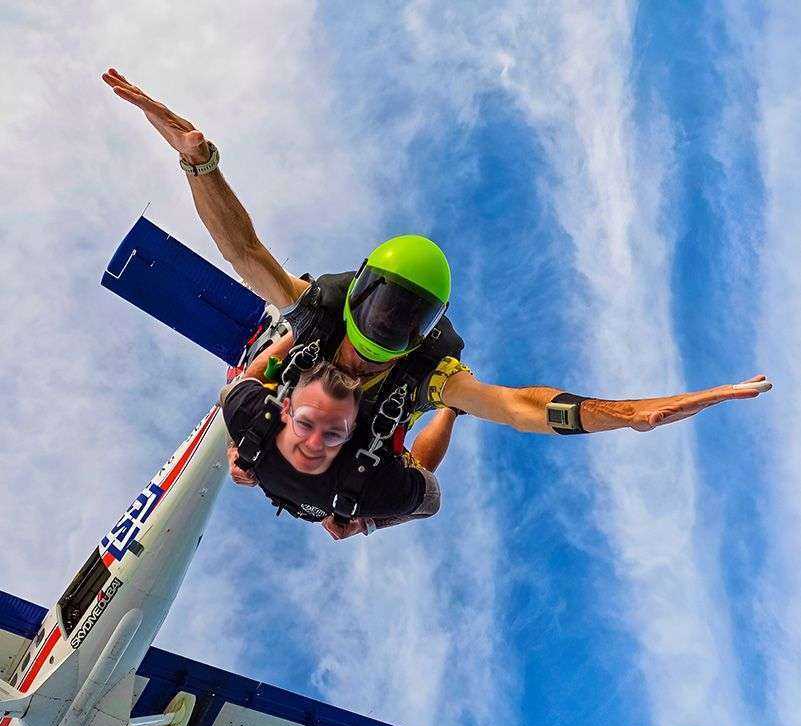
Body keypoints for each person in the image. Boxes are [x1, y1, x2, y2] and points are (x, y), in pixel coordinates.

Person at [103, 70, 773, 456]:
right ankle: (278, 380)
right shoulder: (318, 308)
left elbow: (523, 406)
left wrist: (639, 412)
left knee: (411, 489)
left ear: (424, 332)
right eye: (380, 309)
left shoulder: (430, 370)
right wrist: (198, 159)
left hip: (376, 436)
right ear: (357, 294)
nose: (382, 335)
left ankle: (439, 422)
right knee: (289, 396)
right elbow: (242, 249)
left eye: (404, 322)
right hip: (293, 393)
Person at [221, 359, 448, 540]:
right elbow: (430, 498)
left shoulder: (250, 419)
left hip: (345, 478)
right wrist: (365, 523)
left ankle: (449, 408)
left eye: (331, 434)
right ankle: (449, 408)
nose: (313, 444)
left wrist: (240, 445)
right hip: (345, 488)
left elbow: (238, 387)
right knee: (412, 483)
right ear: (286, 409)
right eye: (306, 424)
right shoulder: (370, 490)